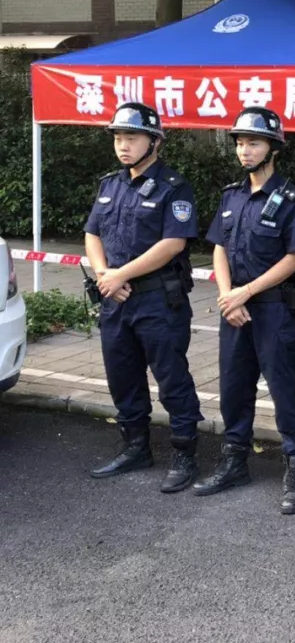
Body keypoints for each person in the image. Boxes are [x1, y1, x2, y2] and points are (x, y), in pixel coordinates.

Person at [193, 107, 295, 514]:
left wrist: (244, 292)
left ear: (273, 149)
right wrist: (227, 296)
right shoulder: (232, 195)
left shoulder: (293, 199)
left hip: (273, 309)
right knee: (233, 388)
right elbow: (219, 247)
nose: (244, 151)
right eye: (241, 143)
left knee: (284, 389)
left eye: (254, 143)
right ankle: (234, 461)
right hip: (235, 310)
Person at [84, 102, 202, 492]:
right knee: (123, 376)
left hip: (157, 301)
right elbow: (92, 233)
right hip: (116, 299)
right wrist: (105, 276)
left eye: (131, 137)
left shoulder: (174, 186)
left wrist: (121, 274)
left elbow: (173, 243)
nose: (123, 145)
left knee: (171, 378)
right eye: (118, 137)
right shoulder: (110, 184)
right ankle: (135, 448)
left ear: (154, 142)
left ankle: (185, 453)